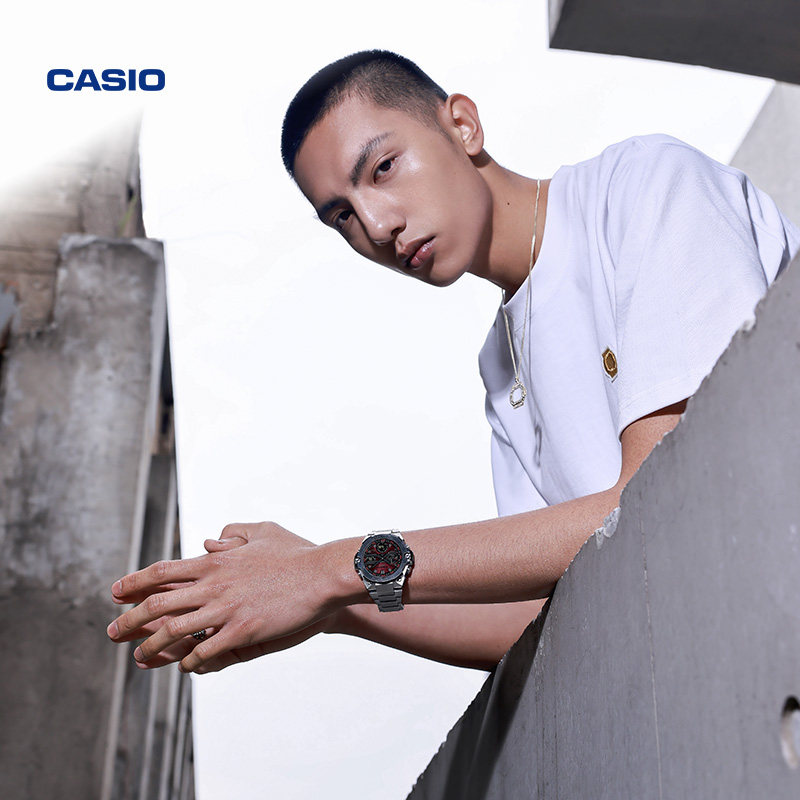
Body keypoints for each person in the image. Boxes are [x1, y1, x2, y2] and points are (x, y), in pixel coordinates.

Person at [107, 50, 800, 673]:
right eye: (342, 215)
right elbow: (542, 613)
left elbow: (658, 499)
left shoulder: (643, 186)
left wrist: (328, 569)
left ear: (462, 125)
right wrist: (335, 605)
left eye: (383, 168)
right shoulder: (501, 364)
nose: (377, 225)